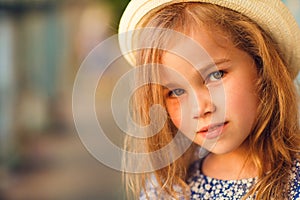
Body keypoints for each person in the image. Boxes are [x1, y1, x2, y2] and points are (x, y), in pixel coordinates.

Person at [118, 0, 300, 199]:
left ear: (261, 65)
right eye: (176, 92)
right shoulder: (168, 190)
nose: (199, 108)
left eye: (215, 75)